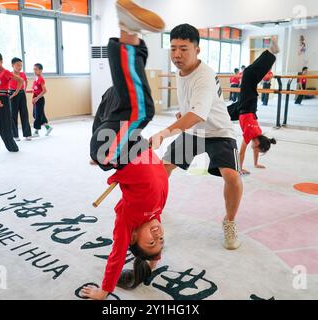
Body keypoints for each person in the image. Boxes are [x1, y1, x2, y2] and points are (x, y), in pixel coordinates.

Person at [81, 0, 167, 300]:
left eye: (151, 242)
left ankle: (128, 31)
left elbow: (118, 253)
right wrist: (153, 260)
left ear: (133, 236)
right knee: (124, 96)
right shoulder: (158, 209)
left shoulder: (128, 221)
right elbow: (150, 180)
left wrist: (106, 290)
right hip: (119, 150)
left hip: (112, 151)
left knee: (141, 110)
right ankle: (130, 36)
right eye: (161, 240)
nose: (158, 235)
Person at [149, 23, 243, 251]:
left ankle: (229, 222)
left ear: (197, 49)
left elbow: (197, 113)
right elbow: (193, 109)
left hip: (219, 132)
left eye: (184, 48)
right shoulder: (180, 72)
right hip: (194, 131)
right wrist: (185, 112)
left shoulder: (205, 76)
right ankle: (153, 210)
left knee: (231, 176)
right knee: (163, 168)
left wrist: (163, 134)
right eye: (173, 48)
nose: (177, 54)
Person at [226, 37, 279, 175]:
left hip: (247, 106)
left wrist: (256, 164)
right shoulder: (251, 134)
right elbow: (241, 152)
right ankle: (272, 53)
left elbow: (253, 149)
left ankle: (271, 54)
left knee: (223, 113)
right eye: (258, 149)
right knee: (249, 73)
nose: (255, 149)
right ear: (258, 143)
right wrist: (239, 169)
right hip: (247, 104)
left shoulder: (258, 135)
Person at [9, 57, 31, 141]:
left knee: (24, 114)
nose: (19, 67)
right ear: (12, 65)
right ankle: (15, 135)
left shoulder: (22, 74)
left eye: (21, 65)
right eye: (18, 65)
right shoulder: (10, 74)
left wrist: (24, 90)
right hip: (12, 94)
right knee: (13, 115)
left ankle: (27, 134)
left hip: (21, 94)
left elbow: (26, 81)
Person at [27, 63, 52, 137]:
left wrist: (37, 98)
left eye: (36, 69)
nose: (34, 71)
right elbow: (34, 90)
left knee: (38, 116)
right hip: (36, 100)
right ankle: (48, 128)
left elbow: (44, 90)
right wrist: (24, 90)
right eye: (34, 69)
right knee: (38, 115)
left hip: (39, 100)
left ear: (41, 70)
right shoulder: (36, 79)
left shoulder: (41, 79)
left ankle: (36, 132)